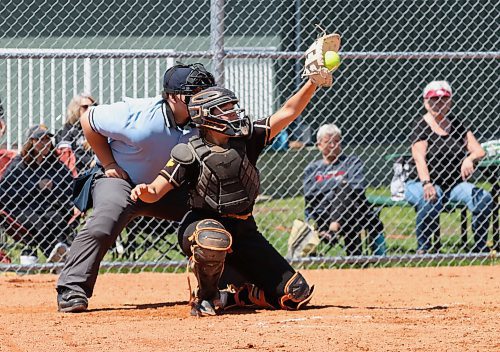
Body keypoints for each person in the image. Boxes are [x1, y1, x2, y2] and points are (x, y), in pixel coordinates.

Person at [130, 79, 322, 317]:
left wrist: (312, 82)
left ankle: (234, 296)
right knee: (213, 238)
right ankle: (207, 296)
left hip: (245, 229)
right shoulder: (189, 151)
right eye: (226, 109)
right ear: (205, 116)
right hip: (202, 225)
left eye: (233, 107)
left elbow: (289, 111)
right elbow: (157, 190)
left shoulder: (247, 138)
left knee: (294, 295)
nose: (233, 113)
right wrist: (145, 191)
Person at [56, 63, 215, 313]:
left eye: (205, 92)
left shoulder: (206, 122)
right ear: (172, 96)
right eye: (194, 93)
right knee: (106, 219)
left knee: (215, 214)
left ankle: (230, 286)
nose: (202, 99)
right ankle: (72, 289)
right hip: (121, 180)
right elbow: (88, 120)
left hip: (167, 187)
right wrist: (108, 162)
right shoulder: (137, 114)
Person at [405, 80, 493, 254]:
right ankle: (423, 248)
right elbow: (419, 158)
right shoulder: (421, 126)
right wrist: (426, 183)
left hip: (454, 185)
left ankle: (479, 248)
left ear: (450, 101)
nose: (439, 103)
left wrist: (470, 159)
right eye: (433, 99)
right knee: (431, 197)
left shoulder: (457, 125)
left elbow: (479, 151)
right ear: (425, 101)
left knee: (484, 198)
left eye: (443, 99)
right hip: (419, 183)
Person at [303, 124, 386, 256]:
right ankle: (354, 257)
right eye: (328, 142)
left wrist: (326, 187)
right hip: (323, 211)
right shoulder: (312, 169)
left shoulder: (352, 162)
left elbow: (358, 186)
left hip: (352, 209)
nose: (333, 145)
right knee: (344, 187)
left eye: (336, 141)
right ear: (319, 145)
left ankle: (333, 230)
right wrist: (339, 182)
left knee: (345, 191)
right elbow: (309, 191)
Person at [0, 124, 77, 263]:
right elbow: (4, 192)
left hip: (48, 207)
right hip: (22, 209)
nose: (45, 143)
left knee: (57, 219)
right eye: (40, 139)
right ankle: (58, 258)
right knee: (38, 222)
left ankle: (59, 255)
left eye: (47, 139)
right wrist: (36, 187)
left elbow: (70, 187)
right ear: (31, 142)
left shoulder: (56, 165)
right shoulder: (19, 164)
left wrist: (53, 188)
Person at [55, 93, 98, 174]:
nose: (89, 109)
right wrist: (90, 161)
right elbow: (68, 152)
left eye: (93, 106)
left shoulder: (98, 126)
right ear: (76, 109)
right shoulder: (69, 128)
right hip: (77, 171)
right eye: (85, 107)